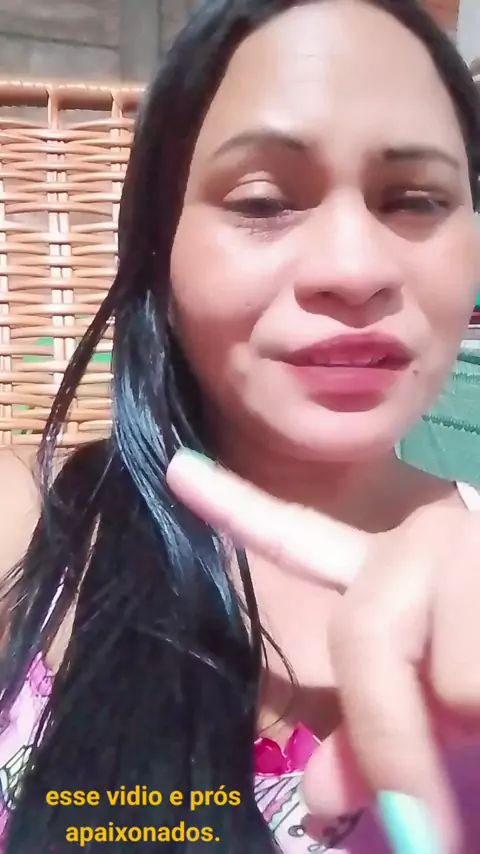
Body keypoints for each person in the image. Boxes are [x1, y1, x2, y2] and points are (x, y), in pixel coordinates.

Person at [0, 0, 479, 852]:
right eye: (262, 201)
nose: (354, 270)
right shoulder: (26, 528)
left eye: (415, 200)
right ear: (158, 255)